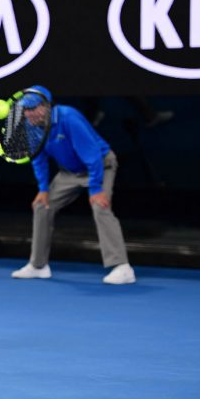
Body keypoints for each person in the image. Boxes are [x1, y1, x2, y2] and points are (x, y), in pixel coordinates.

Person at [11, 85, 136, 285]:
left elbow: (93, 155)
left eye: (32, 108)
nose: (28, 114)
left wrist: (96, 189)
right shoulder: (31, 124)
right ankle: (38, 266)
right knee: (42, 206)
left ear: (47, 106)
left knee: (100, 206)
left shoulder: (69, 118)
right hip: (70, 172)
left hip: (100, 166)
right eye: (25, 109)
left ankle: (122, 267)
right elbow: (38, 158)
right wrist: (43, 188)